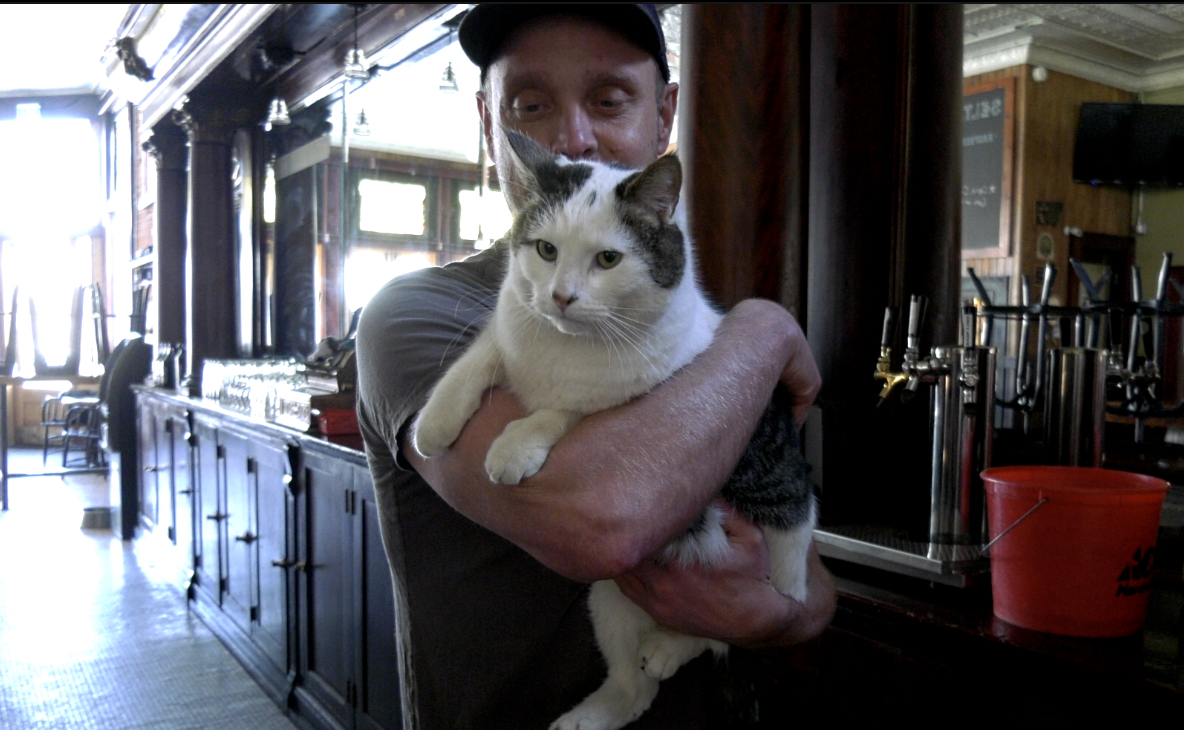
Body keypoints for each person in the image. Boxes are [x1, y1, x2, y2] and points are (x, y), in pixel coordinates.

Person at [355, 5, 836, 729]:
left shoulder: (690, 328)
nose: (573, 135)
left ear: (663, 115)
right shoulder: (416, 316)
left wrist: (774, 614)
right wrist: (764, 332)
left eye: (609, 100)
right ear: (490, 126)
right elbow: (601, 523)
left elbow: (815, 588)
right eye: (530, 103)